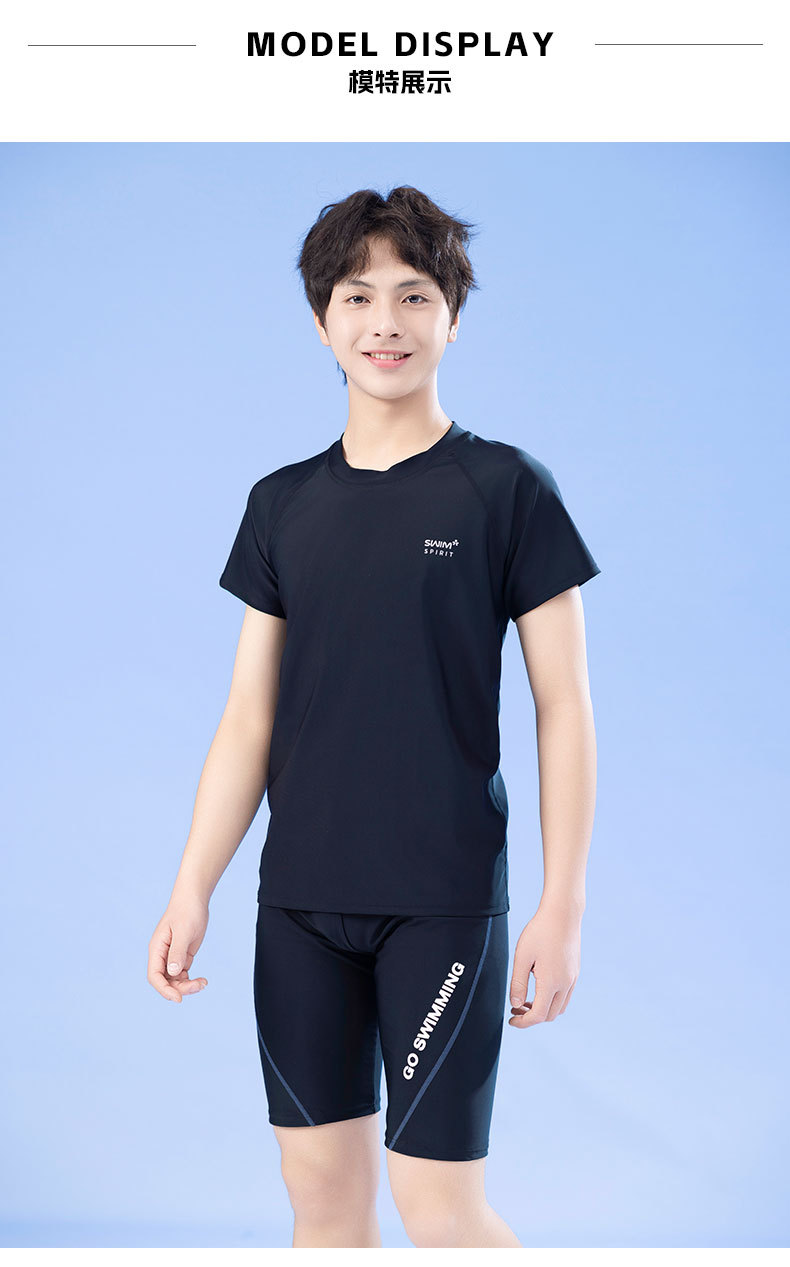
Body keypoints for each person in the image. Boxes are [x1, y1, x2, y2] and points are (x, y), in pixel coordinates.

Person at [147, 185, 601, 1249]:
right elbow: (247, 716)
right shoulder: (281, 503)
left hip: (441, 904)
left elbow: (564, 707)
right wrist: (192, 882)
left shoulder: (505, 490)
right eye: (356, 296)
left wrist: (562, 903)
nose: (384, 322)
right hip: (300, 907)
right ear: (321, 322)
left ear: (454, 316)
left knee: (438, 1208)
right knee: (321, 1202)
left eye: (413, 294)